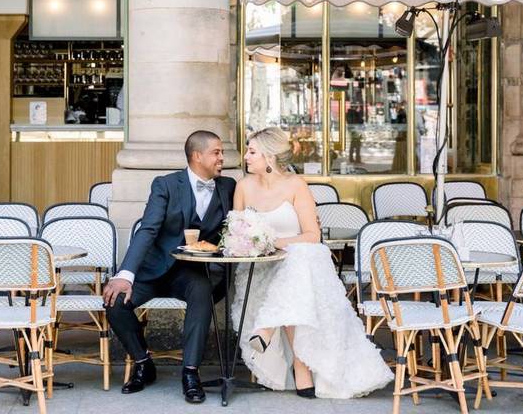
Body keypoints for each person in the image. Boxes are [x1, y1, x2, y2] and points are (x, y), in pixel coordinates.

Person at [233, 127, 392, 399]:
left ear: (269, 157)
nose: (246, 156)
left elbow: (311, 235)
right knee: (293, 272)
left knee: (297, 261)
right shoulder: (243, 187)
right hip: (261, 265)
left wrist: (274, 243)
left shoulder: (296, 185)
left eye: (251, 151)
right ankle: (299, 363)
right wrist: (253, 245)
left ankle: (273, 334)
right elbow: (236, 231)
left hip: (298, 258)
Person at [103, 130, 235, 404]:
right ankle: (143, 363)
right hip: (153, 270)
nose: (222, 157)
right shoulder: (165, 185)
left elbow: (233, 228)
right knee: (115, 302)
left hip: (189, 273)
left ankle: (190, 373)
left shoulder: (228, 186)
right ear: (198, 156)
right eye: (217, 152)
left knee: (201, 290)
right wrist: (125, 275)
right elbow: (148, 230)